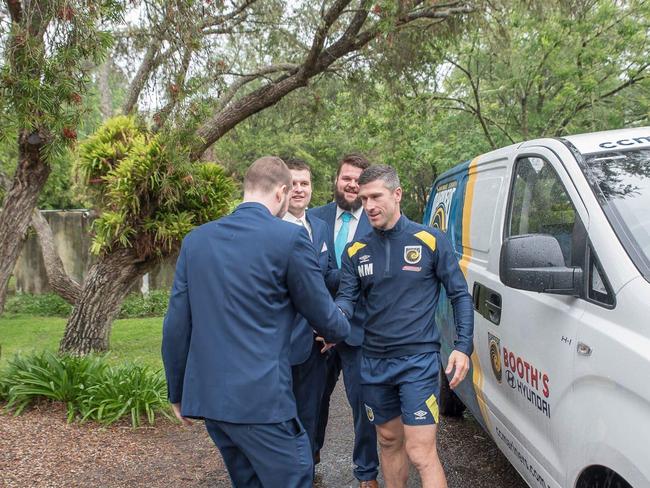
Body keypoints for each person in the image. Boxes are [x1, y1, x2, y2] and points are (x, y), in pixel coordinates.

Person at [161, 156, 350, 488]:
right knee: (296, 475)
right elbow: (326, 318)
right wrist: (341, 322)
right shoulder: (289, 240)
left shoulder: (196, 240)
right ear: (280, 193)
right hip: (262, 402)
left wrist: (177, 392)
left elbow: (176, 324)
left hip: (212, 401)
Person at [335, 165, 474, 488]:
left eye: (376, 197)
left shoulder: (429, 240)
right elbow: (345, 300)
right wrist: (332, 318)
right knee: (387, 441)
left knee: (421, 451)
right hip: (373, 363)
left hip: (417, 363)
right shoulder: (356, 251)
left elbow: (459, 295)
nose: (369, 205)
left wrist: (462, 347)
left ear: (396, 195)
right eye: (364, 198)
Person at [309, 154, 380, 487]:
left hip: (358, 330)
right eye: (346, 178)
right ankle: (309, 456)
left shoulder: (377, 221)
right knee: (312, 400)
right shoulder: (313, 218)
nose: (352, 185)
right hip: (315, 331)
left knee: (363, 406)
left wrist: (334, 276)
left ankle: (366, 471)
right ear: (336, 180)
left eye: (358, 180)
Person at [282, 158, 337, 458]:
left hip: (316, 345)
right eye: (293, 184)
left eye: (304, 183)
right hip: (278, 343)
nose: (299, 189)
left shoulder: (320, 227)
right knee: (279, 418)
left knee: (310, 415)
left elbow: (327, 278)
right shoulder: (270, 227)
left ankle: (306, 467)